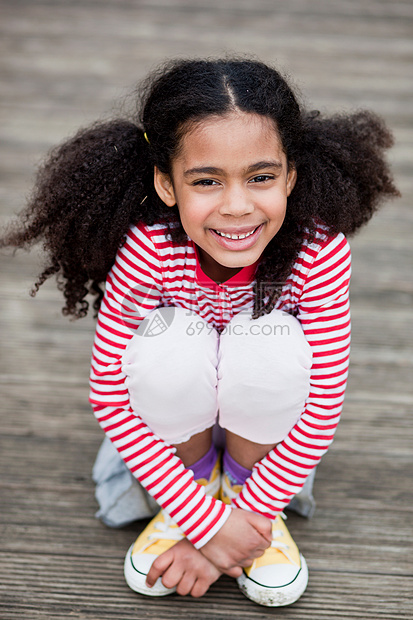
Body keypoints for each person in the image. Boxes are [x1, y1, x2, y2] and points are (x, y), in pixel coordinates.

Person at [1, 58, 399, 607]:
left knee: (271, 340)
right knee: (170, 340)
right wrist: (205, 524)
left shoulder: (318, 252)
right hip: (171, 441)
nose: (236, 206)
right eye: (206, 180)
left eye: (261, 177)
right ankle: (190, 490)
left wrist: (236, 527)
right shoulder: (148, 251)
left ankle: (243, 490)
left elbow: (324, 398)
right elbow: (111, 396)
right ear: (167, 183)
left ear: (290, 175)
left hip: (266, 446)